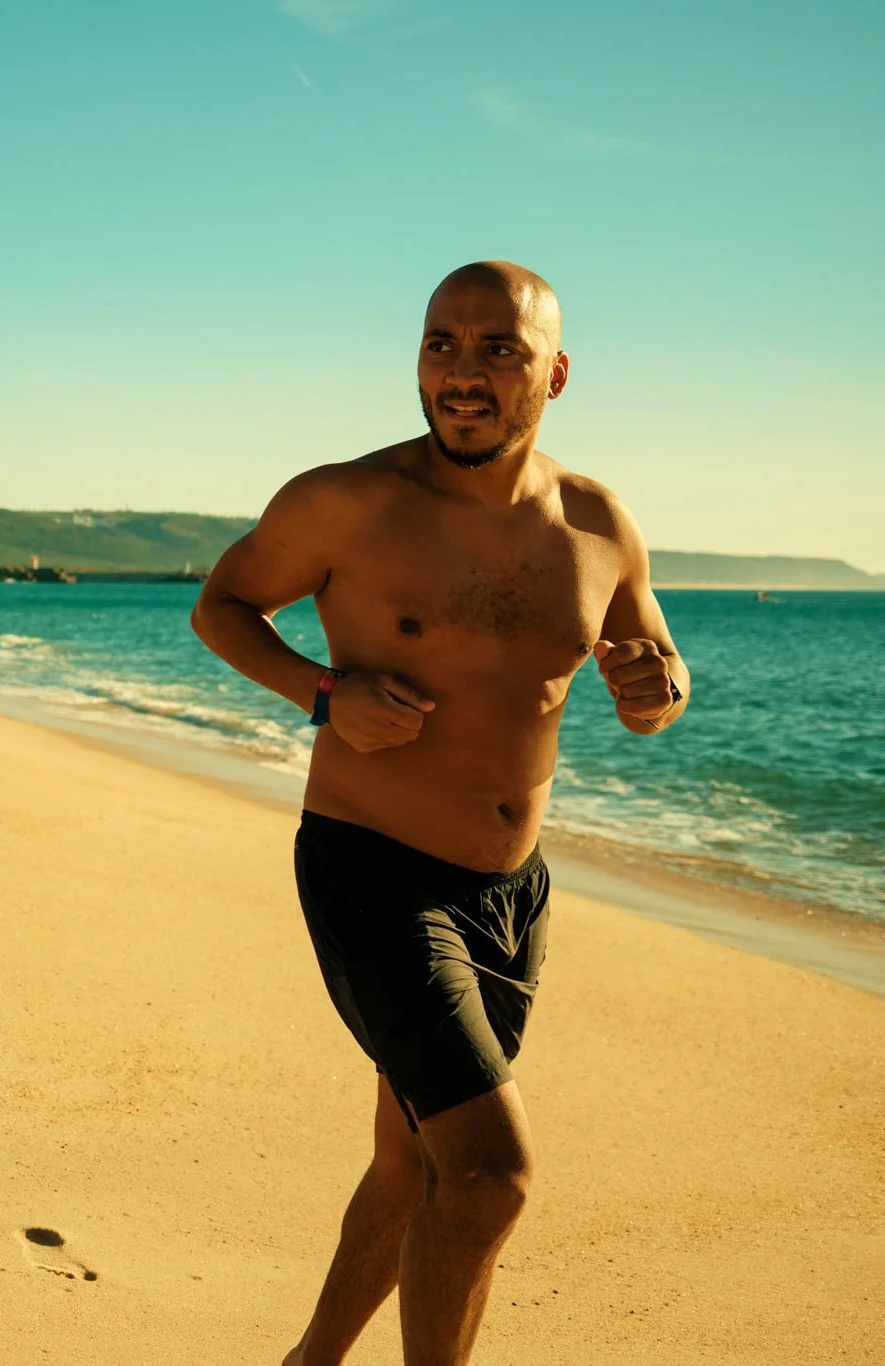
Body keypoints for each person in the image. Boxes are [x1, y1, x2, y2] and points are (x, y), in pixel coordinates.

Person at [192, 261, 689, 1365]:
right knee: (487, 1175)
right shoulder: (344, 501)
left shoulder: (599, 522)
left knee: (410, 1162)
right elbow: (219, 604)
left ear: (552, 374)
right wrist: (322, 693)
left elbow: (649, 669)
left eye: (496, 350)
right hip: (369, 866)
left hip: (511, 891)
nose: (461, 374)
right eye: (440, 345)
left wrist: (658, 688)